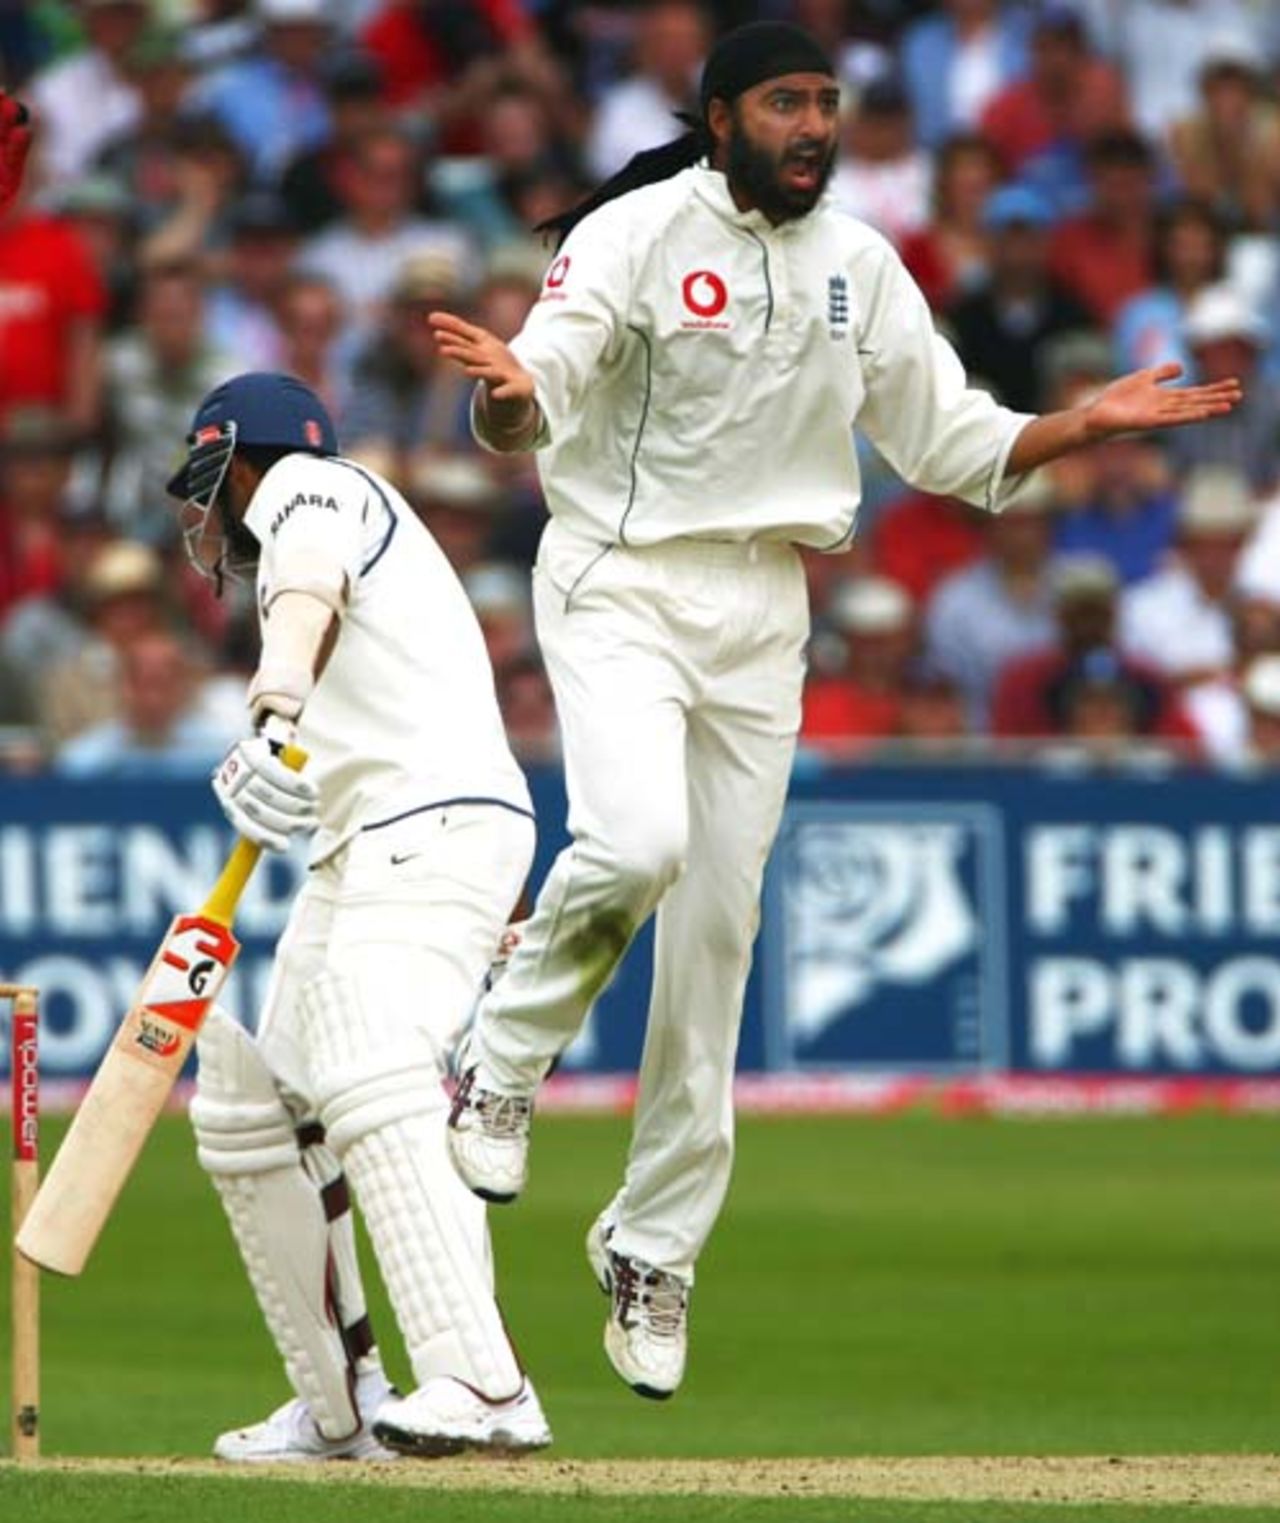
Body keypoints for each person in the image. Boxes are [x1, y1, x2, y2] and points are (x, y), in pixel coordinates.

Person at [427, 20, 1239, 1404]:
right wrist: (505, 403)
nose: (814, 124)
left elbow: (954, 444)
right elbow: (535, 392)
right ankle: (496, 1059)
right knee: (631, 844)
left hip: (765, 606)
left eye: (829, 102)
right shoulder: (630, 233)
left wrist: (1077, 426)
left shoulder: (862, 263)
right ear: (723, 112)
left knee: (722, 935)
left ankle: (652, 1240)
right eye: (787, 102)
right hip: (620, 578)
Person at [164, 372, 549, 1459]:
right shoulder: (335, 569)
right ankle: (338, 1406)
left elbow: (306, 593)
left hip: (429, 826)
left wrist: (270, 707)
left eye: (211, 481)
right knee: (252, 1104)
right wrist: (290, 749)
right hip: (366, 841)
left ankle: (480, 1380)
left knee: (372, 1063)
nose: (213, 512)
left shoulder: (314, 488)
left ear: (244, 458)